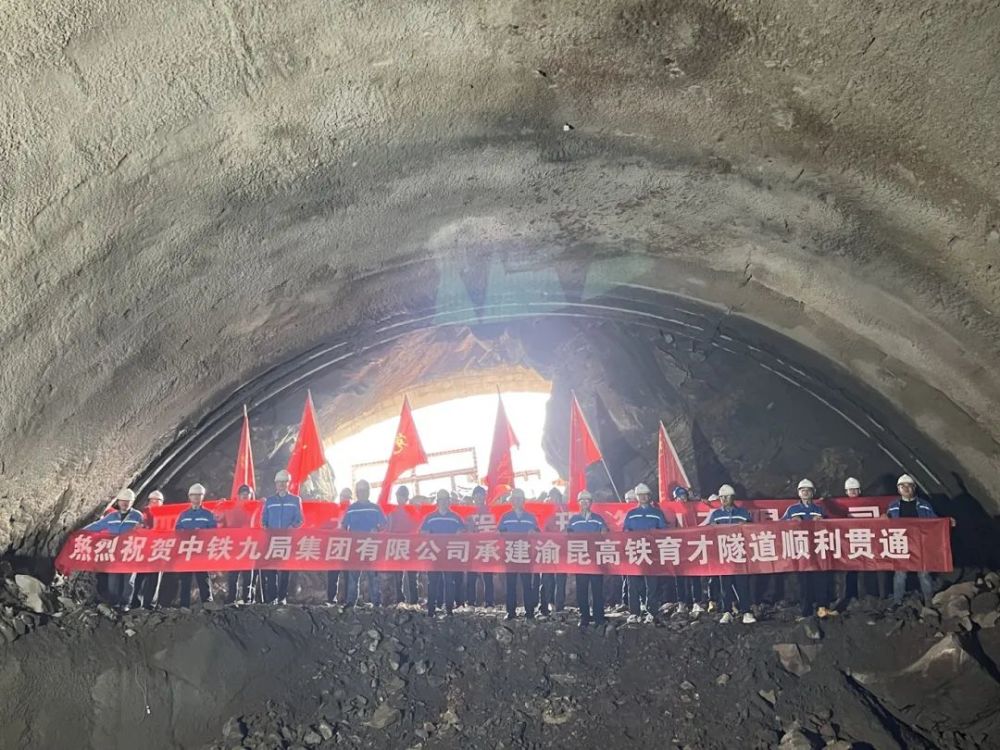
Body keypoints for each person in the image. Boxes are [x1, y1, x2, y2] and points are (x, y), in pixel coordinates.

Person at [887, 474, 952, 607]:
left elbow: (935, 522)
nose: (906, 488)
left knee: (924, 574)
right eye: (902, 486)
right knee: (900, 574)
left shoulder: (924, 505)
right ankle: (897, 601)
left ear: (914, 487)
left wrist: (947, 522)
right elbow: (885, 525)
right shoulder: (893, 506)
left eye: (909, 486)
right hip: (902, 545)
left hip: (921, 545)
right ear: (898, 489)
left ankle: (928, 601)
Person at [85, 488, 145, 609]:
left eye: (128, 501)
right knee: (113, 579)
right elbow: (97, 526)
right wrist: (80, 532)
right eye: (122, 500)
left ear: (132, 502)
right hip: (114, 552)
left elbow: (145, 532)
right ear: (118, 501)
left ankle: (125, 604)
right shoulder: (112, 516)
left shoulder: (137, 516)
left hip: (130, 552)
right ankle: (114, 602)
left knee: (129, 580)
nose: (125, 503)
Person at [705, 487, 756, 624]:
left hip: (739, 553)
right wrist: (712, 526)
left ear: (733, 497)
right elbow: (708, 531)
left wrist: (746, 525)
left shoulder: (743, 513)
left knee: (742, 584)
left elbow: (752, 530)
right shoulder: (716, 514)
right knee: (725, 585)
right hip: (723, 554)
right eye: (722, 497)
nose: (724, 499)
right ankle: (727, 611)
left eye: (727, 496)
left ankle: (746, 611)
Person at [622, 483, 669, 624]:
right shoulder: (631, 514)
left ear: (649, 496)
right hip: (635, 551)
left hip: (651, 553)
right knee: (633, 584)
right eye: (640, 495)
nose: (642, 497)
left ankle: (652, 612)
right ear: (637, 497)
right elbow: (625, 531)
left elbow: (663, 531)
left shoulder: (657, 513)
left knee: (652, 584)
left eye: (645, 495)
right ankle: (634, 612)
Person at [782, 479, 828, 618]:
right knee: (804, 581)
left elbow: (831, 525)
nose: (805, 492)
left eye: (808, 490)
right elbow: (779, 525)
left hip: (818, 549)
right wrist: (791, 522)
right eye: (803, 490)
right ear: (799, 493)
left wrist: (823, 521)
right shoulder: (792, 509)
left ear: (813, 492)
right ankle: (806, 611)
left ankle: (822, 607)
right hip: (801, 550)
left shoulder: (819, 509)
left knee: (820, 579)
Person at [420, 489, 467, 617]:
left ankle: (449, 609)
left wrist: (460, 532)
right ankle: (431, 609)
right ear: (438, 501)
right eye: (441, 499)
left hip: (449, 555)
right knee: (433, 582)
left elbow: (463, 530)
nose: (444, 502)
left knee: (449, 582)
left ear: (449, 501)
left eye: (446, 499)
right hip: (434, 555)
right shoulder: (430, 518)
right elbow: (422, 532)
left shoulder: (455, 517)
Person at [261, 469, 304, 605]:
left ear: (288, 483)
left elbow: (299, 519)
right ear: (276, 484)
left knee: (285, 569)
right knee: (271, 569)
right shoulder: (270, 501)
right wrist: (265, 527)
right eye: (279, 482)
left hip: (287, 540)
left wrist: (292, 527)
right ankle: (272, 597)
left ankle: (282, 597)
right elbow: (264, 519)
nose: (281, 484)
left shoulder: (295, 500)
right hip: (272, 540)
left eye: (284, 482)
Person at [342, 479, 387, 607]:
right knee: (353, 577)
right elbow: (344, 526)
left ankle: (376, 603)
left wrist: (377, 529)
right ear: (356, 492)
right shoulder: (351, 509)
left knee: (373, 576)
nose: (362, 493)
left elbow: (384, 524)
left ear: (368, 492)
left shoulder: (375, 508)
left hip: (371, 548)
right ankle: (351, 602)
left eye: (364, 490)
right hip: (355, 548)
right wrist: (348, 537)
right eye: (360, 490)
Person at [567, 490, 609, 628]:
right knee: (582, 590)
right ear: (578, 503)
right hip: (581, 560)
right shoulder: (573, 520)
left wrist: (604, 531)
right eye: (582, 501)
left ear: (591, 503)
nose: (585, 503)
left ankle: (599, 617)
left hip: (595, 560)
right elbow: (567, 536)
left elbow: (605, 532)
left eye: (587, 500)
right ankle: (584, 616)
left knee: (597, 590)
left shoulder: (598, 518)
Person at [497, 488, 540, 620]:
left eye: (519, 499)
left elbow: (538, 532)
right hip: (511, 554)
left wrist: (534, 532)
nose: (517, 501)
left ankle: (529, 612)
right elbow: (498, 532)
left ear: (523, 500)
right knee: (510, 584)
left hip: (526, 554)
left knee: (527, 584)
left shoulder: (530, 517)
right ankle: (511, 612)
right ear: (511, 501)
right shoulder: (505, 517)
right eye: (514, 499)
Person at [174, 483, 217, 607]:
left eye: (199, 495)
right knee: (185, 579)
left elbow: (213, 532)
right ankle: (184, 605)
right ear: (190, 497)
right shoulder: (184, 515)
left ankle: (207, 603)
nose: (196, 497)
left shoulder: (208, 515)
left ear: (202, 497)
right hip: (187, 552)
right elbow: (177, 530)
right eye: (194, 495)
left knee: (203, 577)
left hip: (201, 552)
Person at [387, 485, 419, 607]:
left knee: (411, 577)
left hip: (410, 546)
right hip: (398, 546)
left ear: (406, 497)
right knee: (398, 577)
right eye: (398, 496)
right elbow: (389, 529)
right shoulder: (393, 512)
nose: (399, 498)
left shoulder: (412, 511)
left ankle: (413, 601)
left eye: (401, 496)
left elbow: (417, 528)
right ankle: (399, 600)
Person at [225, 484, 257, 604]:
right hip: (235, 546)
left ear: (251, 496)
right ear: (238, 496)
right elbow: (223, 521)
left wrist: (263, 504)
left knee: (248, 576)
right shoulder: (232, 508)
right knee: (233, 575)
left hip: (250, 546)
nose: (245, 496)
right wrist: (222, 505)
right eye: (242, 494)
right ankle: (231, 598)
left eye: (247, 494)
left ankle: (247, 599)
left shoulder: (256, 508)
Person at [133, 490, 165, 609]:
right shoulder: (143, 514)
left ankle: (150, 605)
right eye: (152, 501)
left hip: (159, 550)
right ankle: (135, 603)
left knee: (154, 579)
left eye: (157, 501)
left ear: (161, 503)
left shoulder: (166, 515)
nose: (154, 503)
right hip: (144, 549)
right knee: (139, 577)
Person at [465, 486, 496, 607]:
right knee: (471, 577)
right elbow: (464, 528)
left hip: (486, 546)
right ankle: (471, 602)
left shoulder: (490, 511)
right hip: (472, 548)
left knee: (488, 577)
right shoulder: (468, 512)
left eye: (481, 495)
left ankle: (489, 602)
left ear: (484, 497)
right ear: (473, 497)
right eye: (476, 496)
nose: (479, 498)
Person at [539, 488, 568, 616]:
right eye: (552, 496)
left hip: (562, 549)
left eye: (556, 496)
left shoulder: (566, 511)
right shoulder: (545, 510)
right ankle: (545, 605)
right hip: (548, 547)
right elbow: (540, 528)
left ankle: (559, 605)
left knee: (561, 579)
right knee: (546, 579)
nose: (554, 499)